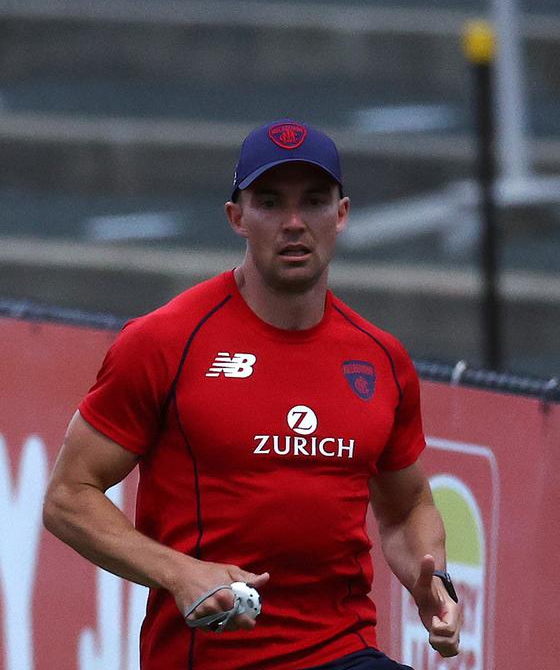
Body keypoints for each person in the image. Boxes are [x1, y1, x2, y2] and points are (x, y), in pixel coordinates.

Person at [42, 120, 462, 669]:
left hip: (342, 651)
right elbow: (68, 497)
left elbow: (407, 507)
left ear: (341, 215)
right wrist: (180, 572)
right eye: (269, 202)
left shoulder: (381, 359)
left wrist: (433, 581)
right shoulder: (164, 341)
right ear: (236, 218)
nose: (293, 223)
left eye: (313, 201)